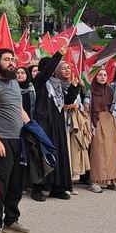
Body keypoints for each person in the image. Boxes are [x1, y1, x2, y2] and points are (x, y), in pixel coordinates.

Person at [0, 48, 32, 233]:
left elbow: (19, 107)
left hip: (18, 139)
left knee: (16, 183)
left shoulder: (14, 81)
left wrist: (30, 126)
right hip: (2, 141)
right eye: (7, 59)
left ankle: (11, 221)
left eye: (13, 59)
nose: (12, 62)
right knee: (0, 186)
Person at [31, 49, 76, 201]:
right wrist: (58, 54)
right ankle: (37, 188)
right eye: (50, 66)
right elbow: (46, 72)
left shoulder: (57, 83)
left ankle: (57, 187)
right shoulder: (39, 81)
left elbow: (67, 100)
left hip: (56, 122)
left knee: (59, 154)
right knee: (42, 154)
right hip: (43, 122)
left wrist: (75, 87)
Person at [85, 68, 116, 192]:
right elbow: (87, 108)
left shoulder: (111, 89)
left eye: (104, 75)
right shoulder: (90, 91)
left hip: (111, 121)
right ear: (95, 77)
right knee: (98, 153)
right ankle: (94, 181)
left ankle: (112, 180)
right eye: (100, 75)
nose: (102, 77)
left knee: (113, 151)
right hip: (97, 122)